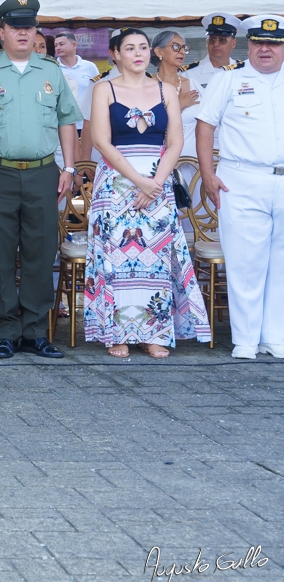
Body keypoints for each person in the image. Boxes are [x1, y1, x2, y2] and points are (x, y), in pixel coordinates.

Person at [0, 0, 82, 361]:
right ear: (2, 32)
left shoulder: (50, 71)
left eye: (28, 27)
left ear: (35, 32)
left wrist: (69, 168)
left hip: (43, 172)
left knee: (40, 251)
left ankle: (35, 331)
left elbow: (67, 120)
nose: (22, 33)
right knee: (0, 253)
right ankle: (6, 331)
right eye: (15, 27)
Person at [85, 28, 210, 358]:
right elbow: (101, 141)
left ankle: (154, 333)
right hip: (116, 183)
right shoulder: (104, 89)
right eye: (130, 48)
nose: (138, 53)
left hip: (158, 180)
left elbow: (176, 141)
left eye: (143, 47)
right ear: (116, 54)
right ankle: (117, 333)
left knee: (154, 261)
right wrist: (138, 182)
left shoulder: (167, 90)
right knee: (116, 259)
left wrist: (155, 183)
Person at [196, 13, 284, 360]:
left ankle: (275, 336)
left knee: (281, 264)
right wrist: (207, 173)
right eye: (260, 43)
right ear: (249, 45)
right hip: (241, 179)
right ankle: (246, 339)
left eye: (274, 44)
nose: (266, 49)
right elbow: (205, 126)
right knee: (245, 262)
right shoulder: (229, 80)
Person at [150, 30, 203, 157]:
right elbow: (146, 125)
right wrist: (179, 105)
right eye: (176, 47)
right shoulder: (147, 86)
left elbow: (211, 123)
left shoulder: (193, 85)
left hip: (193, 164)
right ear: (159, 51)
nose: (182, 52)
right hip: (159, 161)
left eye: (184, 48)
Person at [185, 12, 244, 89]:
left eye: (222, 40)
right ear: (207, 42)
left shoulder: (243, 71)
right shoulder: (188, 74)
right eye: (212, 39)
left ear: (233, 43)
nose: (216, 44)